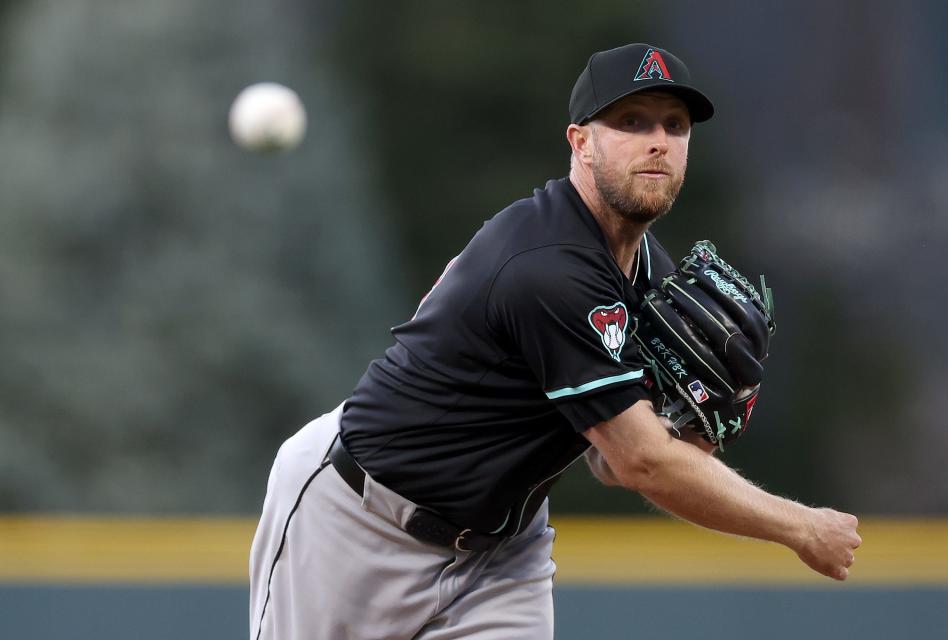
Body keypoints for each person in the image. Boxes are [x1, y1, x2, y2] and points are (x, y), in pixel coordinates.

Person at [249, 43, 861, 640]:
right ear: (581, 142)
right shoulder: (550, 267)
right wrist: (800, 526)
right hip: (357, 521)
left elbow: (609, 460)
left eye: (675, 126)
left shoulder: (647, 272)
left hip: (501, 551)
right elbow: (638, 461)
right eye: (631, 121)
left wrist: (690, 427)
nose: (658, 141)